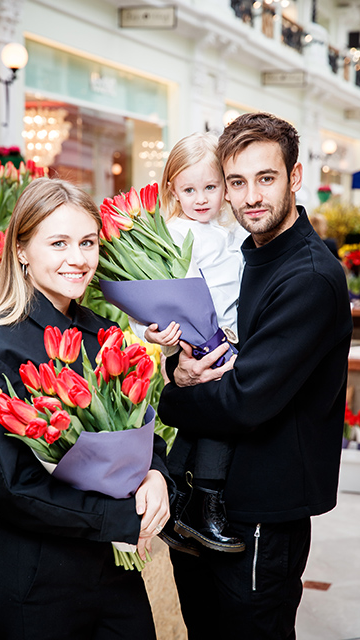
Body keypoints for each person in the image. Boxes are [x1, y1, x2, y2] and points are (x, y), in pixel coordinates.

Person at [0, 177, 171, 640]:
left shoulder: (99, 335)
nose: (78, 258)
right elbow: (13, 489)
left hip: (114, 574)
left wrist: (156, 477)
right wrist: (124, 518)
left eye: (87, 242)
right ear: (22, 250)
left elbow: (139, 432)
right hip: (38, 581)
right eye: (59, 242)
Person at [158, 112, 352, 639]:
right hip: (201, 504)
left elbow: (244, 399)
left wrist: (169, 395)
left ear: (294, 177)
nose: (250, 197)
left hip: (260, 510)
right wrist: (177, 366)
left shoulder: (309, 276)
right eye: (237, 182)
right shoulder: (246, 256)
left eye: (265, 178)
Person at [131, 132, 247, 555]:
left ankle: (178, 492)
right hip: (209, 340)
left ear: (224, 188)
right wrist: (151, 332)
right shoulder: (179, 232)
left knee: (198, 423)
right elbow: (148, 293)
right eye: (189, 188)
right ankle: (206, 504)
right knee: (221, 420)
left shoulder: (222, 232)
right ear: (172, 191)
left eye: (210, 187)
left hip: (218, 337)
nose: (201, 197)